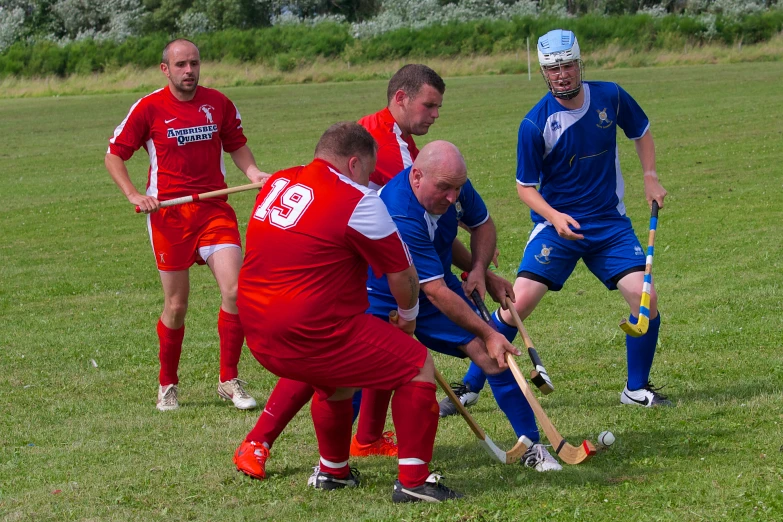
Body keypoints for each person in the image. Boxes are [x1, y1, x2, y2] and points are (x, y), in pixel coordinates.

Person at [445, 29, 671, 414]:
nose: (561, 74)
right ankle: (469, 385)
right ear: (544, 72)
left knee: (644, 298)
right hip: (557, 228)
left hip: (609, 224)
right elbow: (524, 188)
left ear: (580, 64)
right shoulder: (534, 125)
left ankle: (636, 388)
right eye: (553, 68)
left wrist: (650, 175)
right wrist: (554, 216)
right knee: (516, 304)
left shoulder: (610, 96)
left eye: (567, 65)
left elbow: (641, 130)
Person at [234, 122, 461, 503]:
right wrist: (407, 318)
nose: (370, 181)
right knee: (416, 363)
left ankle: (334, 471)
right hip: (309, 329)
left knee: (337, 381)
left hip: (256, 327)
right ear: (354, 163)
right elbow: (403, 274)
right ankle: (414, 482)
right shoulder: (359, 201)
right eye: (369, 173)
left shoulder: (278, 182)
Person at [365, 140, 563, 472]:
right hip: (386, 298)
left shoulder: (450, 184)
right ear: (416, 177)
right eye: (444, 188)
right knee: (350, 379)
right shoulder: (399, 210)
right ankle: (327, 461)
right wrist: (489, 331)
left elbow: (482, 225)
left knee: (492, 357)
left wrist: (480, 270)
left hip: (431, 283)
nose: (453, 197)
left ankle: (532, 445)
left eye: (457, 188)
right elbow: (437, 293)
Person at [105, 39, 266, 411]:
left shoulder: (219, 103)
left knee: (236, 290)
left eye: (194, 63)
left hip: (213, 210)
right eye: (180, 65)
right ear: (166, 69)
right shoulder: (148, 107)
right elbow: (114, 154)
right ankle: (167, 384)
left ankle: (228, 380)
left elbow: (236, 143)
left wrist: (253, 171)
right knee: (176, 305)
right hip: (170, 217)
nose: (189, 71)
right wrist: (133, 194)